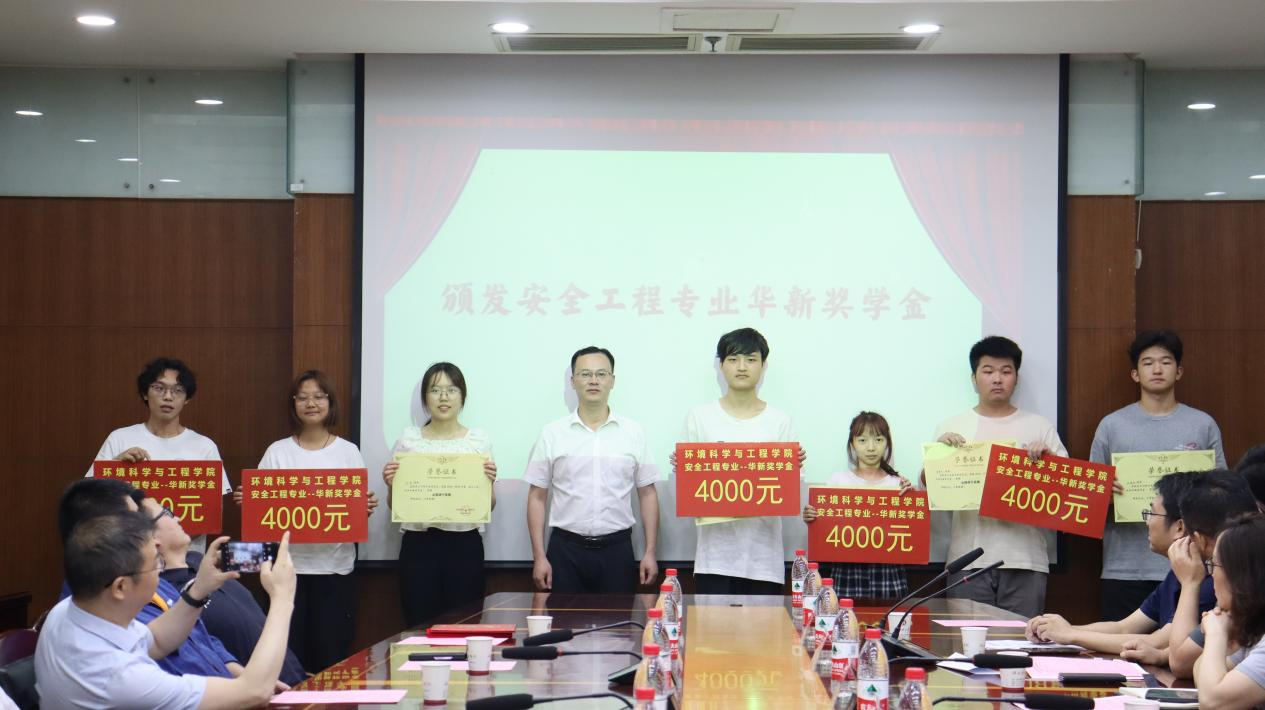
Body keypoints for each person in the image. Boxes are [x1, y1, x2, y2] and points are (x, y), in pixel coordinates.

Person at [36, 512, 297, 709]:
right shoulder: (119, 677)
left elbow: (157, 640)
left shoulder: (67, 612)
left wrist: (198, 590)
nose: (161, 571)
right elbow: (254, 692)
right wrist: (282, 599)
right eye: (156, 564)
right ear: (120, 587)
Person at [1092, 330, 1226, 621]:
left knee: (1183, 646)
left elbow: (1222, 498)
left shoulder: (1202, 425)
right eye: (1147, 362)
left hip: (1192, 564)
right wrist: (1105, 494)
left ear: (1178, 371)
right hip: (1124, 568)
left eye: (1165, 362)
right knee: (1122, 646)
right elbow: (1089, 502)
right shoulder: (1112, 426)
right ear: (1135, 374)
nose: (1157, 369)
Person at [930, 335, 1066, 618]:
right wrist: (938, 459)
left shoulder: (1039, 427)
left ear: (1016, 378)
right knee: (967, 642)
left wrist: (1049, 462)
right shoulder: (951, 427)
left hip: (1025, 560)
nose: (997, 379)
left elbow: (1067, 492)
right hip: (967, 560)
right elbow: (932, 490)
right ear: (974, 378)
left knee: (1021, 642)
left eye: (1006, 371)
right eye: (988, 371)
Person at [56, 478, 240, 679]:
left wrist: (198, 591)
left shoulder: (146, 585)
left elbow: (160, 641)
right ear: (104, 530)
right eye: (137, 522)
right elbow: (241, 691)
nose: (147, 531)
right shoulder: (109, 663)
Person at [255, 370, 377, 672]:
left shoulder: (348, 452)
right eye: (303, 398)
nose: (311, 404)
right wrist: (253, 502)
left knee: (331, 659)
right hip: (287, 571)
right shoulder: (277, 452)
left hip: (334, 570)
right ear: (293, 404)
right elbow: (262, 510)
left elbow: (355, 508)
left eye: (319, 397)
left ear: (330, 402)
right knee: (287, 659)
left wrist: (363, 509)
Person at [1025, 471, 1224, 655]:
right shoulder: (1177, 573)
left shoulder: (1206, 580)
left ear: (1179, 527)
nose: (1147, 521)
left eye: (1152, 513)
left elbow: (1157, 642)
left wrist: (1071, 635)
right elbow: (1124, 627)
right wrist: (1058, 629)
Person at [525, 347, 660, 594]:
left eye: (601, 374)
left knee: (617, 619)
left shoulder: (634, 432)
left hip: (617, 550)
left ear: (612, 380)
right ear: (572, 381)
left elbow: (648, 493)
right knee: (564, 619)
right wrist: (539, 556)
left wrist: (650, 552)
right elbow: (537, 496)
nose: (594, 380)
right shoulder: (552, 433)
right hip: (565, 550)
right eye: (585, 374)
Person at [683, 327, 803, 596]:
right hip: (713, 560)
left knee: (765, 626)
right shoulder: (699, 417)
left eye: (750, 359)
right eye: (733, 359)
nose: (741, 367)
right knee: (711, 626)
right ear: (721, 365)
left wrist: (792, 469)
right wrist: (684, 471)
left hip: (764, 561)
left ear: (763, 365)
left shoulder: (779, 421)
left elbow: (788, 492)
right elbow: (690, 490)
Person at [382, 362, 499, 628]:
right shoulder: (408, 441)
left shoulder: (478, 441)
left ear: (462, 396)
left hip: (464, 545)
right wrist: (390, 485)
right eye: (435, 390)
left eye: (451, 390)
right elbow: (395, 506)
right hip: (419, 546)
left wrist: (488, 483)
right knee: (419, 626)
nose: (444, 397)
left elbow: (489, 504)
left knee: (463, 625)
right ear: (425, 398)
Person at [146, 495, 307, 686]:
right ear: (150, 537)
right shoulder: (163, 594)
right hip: (250, 689)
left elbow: (275, 553)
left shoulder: (202, 558)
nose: (177, 517)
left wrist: (260, 507)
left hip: (293, 677)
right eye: (166, 513)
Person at [1120, 470, 1259, 677]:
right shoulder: (1244, 567)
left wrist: (1190, 584)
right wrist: (1162, 655)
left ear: (1198, 539)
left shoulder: (1223, 580)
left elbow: (1181, 663)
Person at [87, 357, 232, 550]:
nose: (168, 397)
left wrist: (169, 538)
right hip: (129, 554)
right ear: (145, 394)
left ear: (187, 398)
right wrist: (115, 466)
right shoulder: (119, 438)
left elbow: (212, 511)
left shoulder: (204, 446)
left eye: (178, 390)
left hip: (185, 558)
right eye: (159, 388)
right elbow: (91, 498)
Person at [803, 411, 913, 599]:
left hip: (888, 573)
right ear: (852, 444)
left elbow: (910, 531)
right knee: (844, 618)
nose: (871, 447)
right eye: (862, 440)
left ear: (887, 443)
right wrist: (811, 517)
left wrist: (911, 499)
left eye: (878, 440)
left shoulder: (898, 484)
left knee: (887, 619)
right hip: (846, 572)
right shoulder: (837, 481)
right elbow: (824, 529)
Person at [1193, 514, 1265, 709]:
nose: (1211, 574)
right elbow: (1202, 676)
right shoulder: (1256, 624)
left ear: (1243, 575)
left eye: (1215, 564)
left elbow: (1212, 702)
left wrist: (1216, 634)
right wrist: (1224, 641)